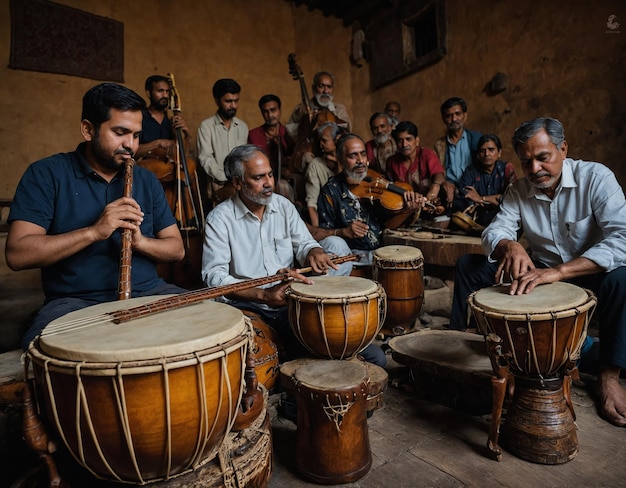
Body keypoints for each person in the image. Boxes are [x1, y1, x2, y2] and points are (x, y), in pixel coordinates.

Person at [450, 117, 626, 427]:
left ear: (563, 149)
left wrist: (559, 272)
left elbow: (621, 240)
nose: (534, 170)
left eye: (543, 157)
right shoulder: (519, 190)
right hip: (541, 274)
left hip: (591, 270)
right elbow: (496, 229)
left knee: (623, 279)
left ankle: (609, 377)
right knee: (469, 266)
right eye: (526, 161)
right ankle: (468, 342)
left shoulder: (596, 178)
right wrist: (510, 246)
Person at [5, 83, 186, 350]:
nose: (130, 145)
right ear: (88, 129)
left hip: (149, 293)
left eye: (136, 135)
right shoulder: (46, 173)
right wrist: (94, 232)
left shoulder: (147, 180)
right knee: (48, 353)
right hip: (74, 302)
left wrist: (141, 242)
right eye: (120, 132)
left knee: (217, 319)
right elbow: (17, 254)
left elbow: (177, 249)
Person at [202, 144, 385, 366]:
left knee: (373, 357)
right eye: (259, 177)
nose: (269, 183)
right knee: (272, 359)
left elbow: (305, 243)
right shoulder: (219, 219)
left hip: (291, 302)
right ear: (238, 183)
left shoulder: (283, 206)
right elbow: (214, 277)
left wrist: (314, 252)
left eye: (270, 174)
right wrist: (263, 295)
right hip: (250, 306)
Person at [316, 133, 424, 265]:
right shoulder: (331, 191)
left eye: (363, 154)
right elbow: (324, 234)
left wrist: (407, 211)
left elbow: (387, 226)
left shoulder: (375, 182)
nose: (360, 161)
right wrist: (344, 232)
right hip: (350, 257)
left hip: (380, 253)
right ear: (340, 160)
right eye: (353, 155)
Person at [197, 78, 249, 200]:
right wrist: (227, 179)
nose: (233, 105)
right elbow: (206, 158)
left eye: (236, 101)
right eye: (228, 101)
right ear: (217, 100)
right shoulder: (206, 126)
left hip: (240, 184)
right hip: (217, 186)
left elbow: (244, 158)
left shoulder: (242, 127)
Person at [452, 134, 518, 227]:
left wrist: (481, 199)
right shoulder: (471, 171)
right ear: (478, 155)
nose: (487, 154)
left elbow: (512, 199)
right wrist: (494, 200)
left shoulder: (506, 168)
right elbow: (466, 195)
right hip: (477, 217)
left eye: (491, 150)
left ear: (499, 152)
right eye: (482, 151)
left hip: (502, 217)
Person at [434, 97, 482, 207]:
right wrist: (444, 183)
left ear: (465, 116)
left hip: (474, 190)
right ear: (443, 119)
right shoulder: (439, 144)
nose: (454, 119)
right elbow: (438, 170)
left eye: (457, 114)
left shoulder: (476, 139)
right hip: (450, 192)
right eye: (449, 116)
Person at [247, 94, 296, 201]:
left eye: (273, 110)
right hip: (263, 179)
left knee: (283, 186)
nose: (270, 115)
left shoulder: (289, 132)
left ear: (280, 110)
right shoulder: (253, 135)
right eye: (266, 111)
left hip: (287, 179)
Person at [386, 121, 446, 202]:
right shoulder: (391, 162)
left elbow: (439, 174)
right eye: (400, 140)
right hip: (403, 205)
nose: (404, 144)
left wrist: (435, 186)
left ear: (417, 141)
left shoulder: (427, 154)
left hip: (427, 203)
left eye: (408, 139)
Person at [135, 75, 191, 159]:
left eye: (167, 91)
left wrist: (187, 135)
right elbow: (131, 152)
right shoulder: (139, 118)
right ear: (148, 93)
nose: (165, 95)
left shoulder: (171, 121)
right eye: (160, 91)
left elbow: (182, 156)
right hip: (143, 169)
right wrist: (158, 143)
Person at [286, 70, 351, 141]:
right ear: (313, 88)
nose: (326, 91)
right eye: (321, 86)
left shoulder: (339, 109)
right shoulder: (301, 109)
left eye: (329, 87)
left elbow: (346, 134)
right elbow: (290, 131)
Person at [304, 122, 345, 226]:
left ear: (337, 138)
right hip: (328, 221)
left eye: (325, 140)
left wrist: (338, 163)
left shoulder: (348, 161)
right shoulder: (316, 165)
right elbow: (311, 203)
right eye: (320, 140)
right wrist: (317, 231)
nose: (321, 144)